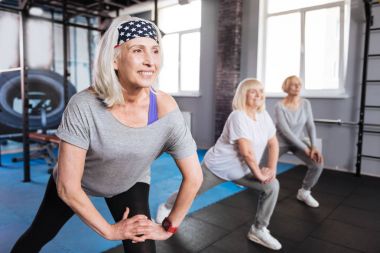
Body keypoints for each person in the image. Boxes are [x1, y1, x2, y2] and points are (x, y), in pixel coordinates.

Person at [11, 15, 203, 253]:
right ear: (115, 59)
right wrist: (109, 230)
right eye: (137, 50)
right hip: (78, 182)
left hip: (129, 181)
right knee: (38, 235)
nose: (149, 61)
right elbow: (68, 188)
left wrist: (169, 226)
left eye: (155, 51)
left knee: (142, 249)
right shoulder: (84, 105)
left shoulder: (165, 110)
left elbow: (194, 178)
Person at [156, 78, 282, 250]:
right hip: (217, 169)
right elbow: (247, 152)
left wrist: (272, 169)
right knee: (190, 193)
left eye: (261, 90)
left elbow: (273, 143)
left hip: (243, 170)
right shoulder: (238, 116)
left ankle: (259, 229)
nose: (259, 94)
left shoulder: (263, 116)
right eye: (253, 91)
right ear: (243, 95)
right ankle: (166, 206)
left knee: (272, 186)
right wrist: (260, 174)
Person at [275, 75, 323, 208]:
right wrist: (306, 148)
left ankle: (304, 192)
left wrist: (313, 146)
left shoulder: (306, 103)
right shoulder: (279, 106)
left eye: (299, 84)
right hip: (280, 142)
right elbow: (286, 132)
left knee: (317, 164)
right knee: (264, 167)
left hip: (299, 141)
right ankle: (250, 179)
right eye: (293, 84)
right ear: (286, 87)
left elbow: (310, 125)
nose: (297, 87)